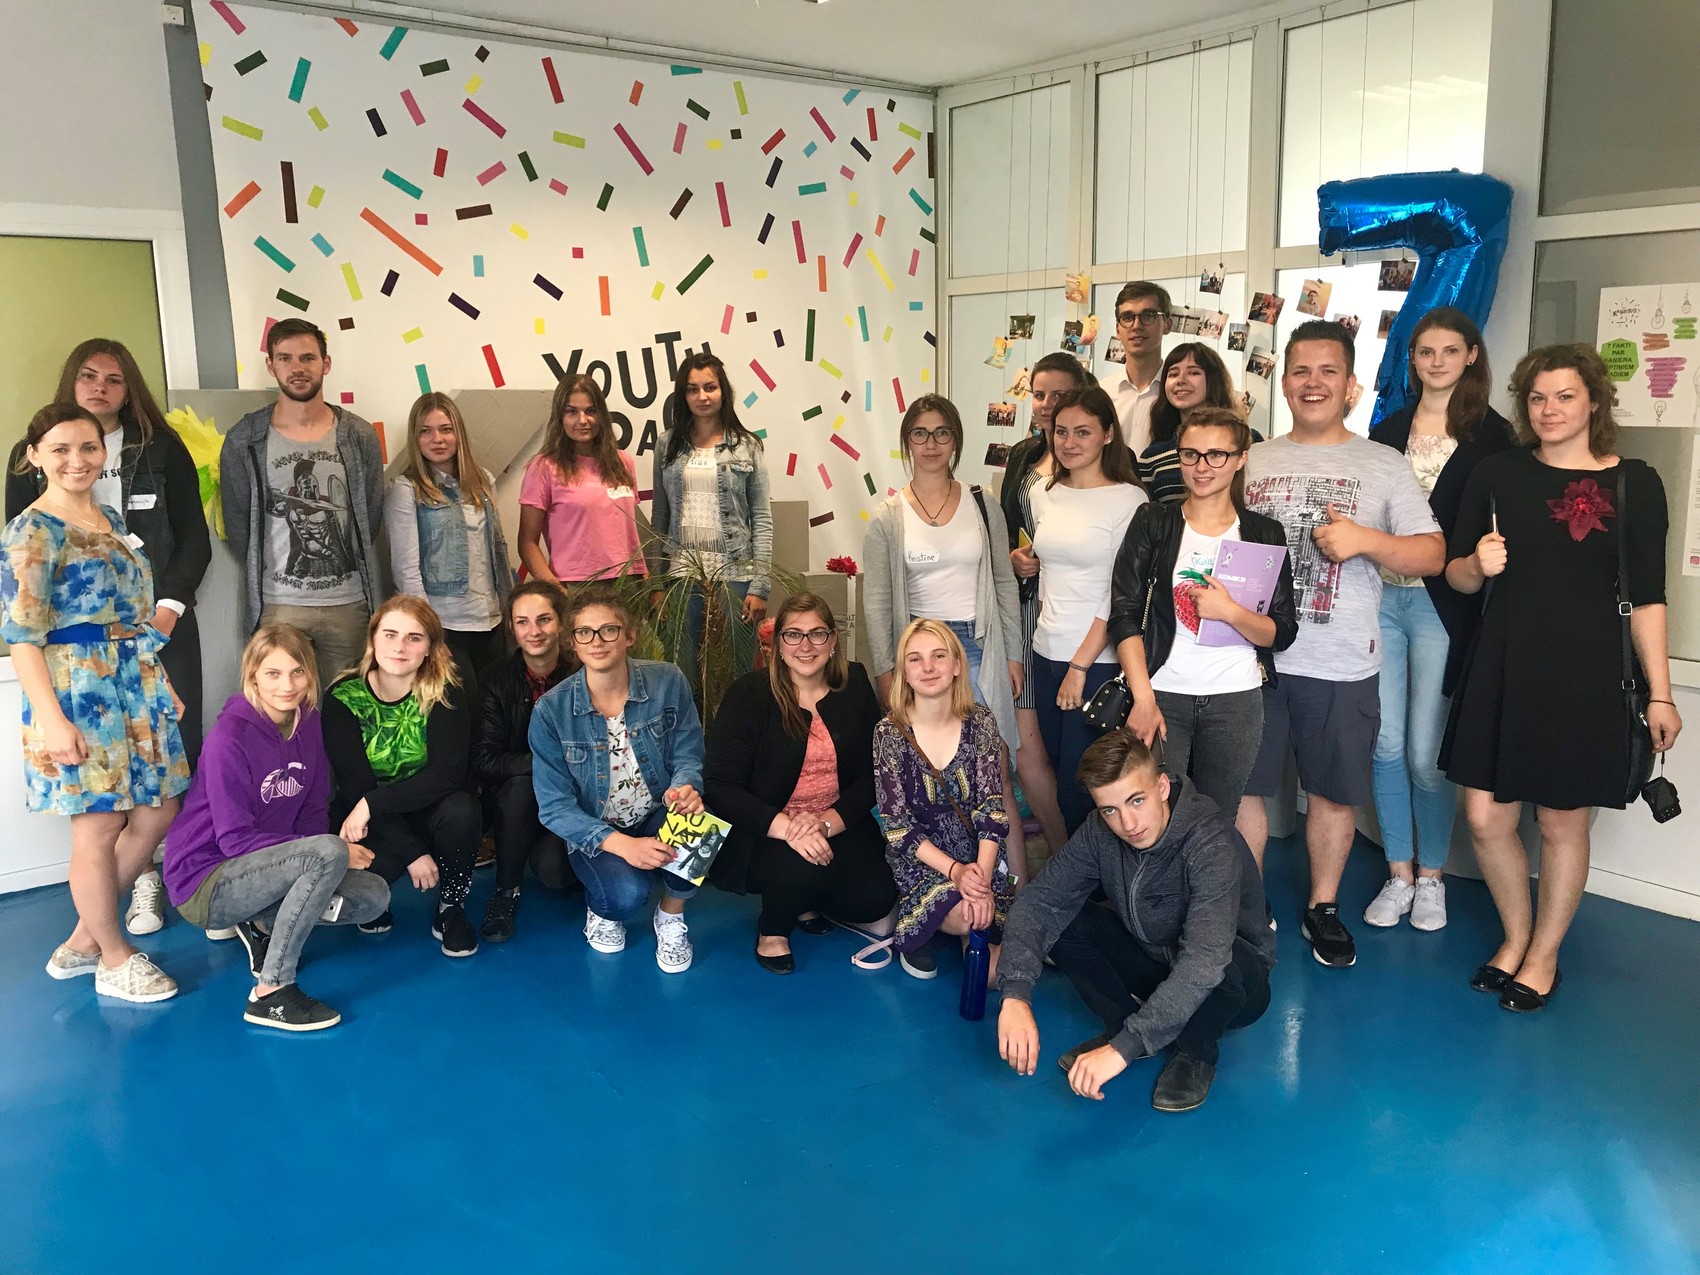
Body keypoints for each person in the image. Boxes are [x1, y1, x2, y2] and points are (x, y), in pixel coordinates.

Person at [1441, 344, 1681, 1012]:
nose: (1549, 410)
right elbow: (1456, 575)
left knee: (1560, 823)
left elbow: (1649, 597)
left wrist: (1661, 692)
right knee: (1484, 818)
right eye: (1537, 397)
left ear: (1594, 402)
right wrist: (1476, 565)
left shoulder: (1635, 482)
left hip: (1587, 672)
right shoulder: (1497, 472)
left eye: (1565, 396)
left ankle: (1543, 956)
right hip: (1503, 662)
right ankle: (1516, 937)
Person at [1240, 320, 1445, 969]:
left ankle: (1322, 906)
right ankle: (1246, 906)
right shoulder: (1254, 459)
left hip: (1341, 660)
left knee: (1332, 792)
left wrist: (1366, 541)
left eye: (1328, 371)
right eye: (1301, 370)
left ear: (1350, 384)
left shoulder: (1382, 464)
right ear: (1284, 381)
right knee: (1244, 788)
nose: (1313, 382)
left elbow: (1433, 553)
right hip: (1252, 658)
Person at [7, 339, 212, 937]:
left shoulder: (117, 511)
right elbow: (23, 625)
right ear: (36, 455)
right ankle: (109, 946)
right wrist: (52, 718)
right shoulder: (31, 527)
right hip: (78, 675)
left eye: (89, 448)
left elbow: (182, 551)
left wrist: (161, 652)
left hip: (139, 661)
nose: (78, 460)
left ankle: (85, 938)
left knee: (160, 802)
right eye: (62, 450)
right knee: (99, 820)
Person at [996, 729, 1275, 1113]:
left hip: (1235, 986)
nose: (1127, 823)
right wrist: (1015, 994)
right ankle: (1122, 1024)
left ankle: (1195, 1052)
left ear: (1161, 786)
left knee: (1221, 962)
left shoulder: (1209, 840)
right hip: (1157, 961)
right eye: (1110, 809)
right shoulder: (1099, 832)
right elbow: (1039, 901)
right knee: (1065, 919)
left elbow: (1204, 961)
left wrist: (1121, 1051)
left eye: (1136, 800)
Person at [1363, 308, 1515, 932]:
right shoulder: (1387, 430)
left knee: (1426, 755)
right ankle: (1399, 873)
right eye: (1425, 351)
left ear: (1471, 355)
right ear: (1413, 358)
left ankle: (1432, 879)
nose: (1436, 362)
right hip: (1378, 598)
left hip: (1443, 606)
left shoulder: (1494, 436)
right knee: (1385, 743)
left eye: (1450, 351)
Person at [162, 625, 390, 1031]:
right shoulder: (228, 739)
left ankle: (263, 921)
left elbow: (313, 810)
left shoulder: (310, 723)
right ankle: (271, 992)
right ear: (253, 676)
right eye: (273, 673)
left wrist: (315, 853)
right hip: (206, 882)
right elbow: (234, 840)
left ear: (310, 674)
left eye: (297, 672)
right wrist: (326, 853)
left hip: (267, 867)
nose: (287, 685)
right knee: (329, 851)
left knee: (374, 896)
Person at [864, 393, 1025, 882]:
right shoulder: (888, 516)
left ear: (955, 441)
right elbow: (876, 601)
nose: (931, 443)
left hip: (978, 645)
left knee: (995, 773)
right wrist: (887, 671)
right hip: (919, 653)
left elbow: (1003, 582)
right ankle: (945, 882)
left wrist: (1012, 655)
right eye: (920, 433)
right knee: (928, 775)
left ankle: (1014, 891)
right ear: (907, 442)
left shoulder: (982, 503)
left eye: (942, 433)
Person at [1109, 407, 1298, 818]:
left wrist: (1229, 612)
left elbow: (1282, 632)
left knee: (1216, 820)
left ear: (1241, 459)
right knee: (1158, 817)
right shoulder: (1154, 521)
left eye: (1216, 455)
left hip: (1236, 699)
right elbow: (1124, 615)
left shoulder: (1264, 532)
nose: (1201, 466)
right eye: (1190, 454)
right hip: (1163, 694)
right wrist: (1144, 698)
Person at [704, 593, 897, 974]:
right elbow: (720, 785)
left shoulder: (854, 683)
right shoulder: (749, 694)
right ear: (778, 643)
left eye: (817, 634)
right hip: (764, 827)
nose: (805, 646)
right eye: (793, 634)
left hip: (833, 820)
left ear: (833, 639)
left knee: (875, 900)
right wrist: (789, 829)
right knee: (801, 866)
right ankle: (773, 929)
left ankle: (806, 898)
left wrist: (824, 823)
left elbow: (871, 775)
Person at [529, 587, 706, 972]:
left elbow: (688, 748)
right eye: (584, 632)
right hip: (596, 828)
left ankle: (671, 914)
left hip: (657, 810)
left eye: (609, 630)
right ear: (573, 642)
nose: (597, 641)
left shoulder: (667, 680)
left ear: (630, 635)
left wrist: (686, 785)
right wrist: (624, 846)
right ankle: (601, 909)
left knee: (701, 826)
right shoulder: (551, 710)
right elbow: (554, 807)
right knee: (625, 896)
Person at [220, 318, 385, 688]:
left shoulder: (358, 435)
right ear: (271, 365)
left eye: (308, 358)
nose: (297, 368)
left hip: (347, 603)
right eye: (285, 358)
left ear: (326, 363)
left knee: (346, 705)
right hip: (279, 604)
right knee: (280, 705)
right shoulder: (245, 439)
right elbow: (238, 526)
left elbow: (369, 517)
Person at [322, 596, 481, 958]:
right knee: (365, 891)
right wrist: (412, 852)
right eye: (390, 634)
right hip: (371, 820)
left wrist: (371, 803)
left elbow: (446, 775)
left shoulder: (444, 690)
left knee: (463, 809)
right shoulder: (343, 696)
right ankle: (380, 899)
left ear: (429, 647)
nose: (399, 647)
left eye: (414, 637)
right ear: (372, 639)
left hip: (427, 808)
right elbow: (356, 787)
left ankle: (452, 906)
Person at [1027, 386, 1147, 833]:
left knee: (1088, 789)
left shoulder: (1129, 500)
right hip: (1045, 652)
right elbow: (1049, 567)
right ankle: (1081, 871)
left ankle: (1106, 875)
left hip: (1097, 664)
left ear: (1108, 435)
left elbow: (1118, 593)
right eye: (1061, 432)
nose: (1069, 442)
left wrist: (1080, 665)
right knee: (1061, 777)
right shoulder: (1044, 493)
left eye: (1083, 432)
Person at [874, 620, 1013, 981]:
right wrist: (956, 872)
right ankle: (926, 924)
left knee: (991, 976)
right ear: (904, 673)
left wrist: (980, 878)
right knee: (968, 916)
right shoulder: (889, 732)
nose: (928, 667)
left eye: (939, 656)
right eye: (915, 659)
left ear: (956, 665)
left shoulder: (980, 721)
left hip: (978, 854)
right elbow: (898, 827)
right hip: (923, 859)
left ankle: (960, 925)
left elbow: (991, 809)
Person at [1002, 352, 1093, 860]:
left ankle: (1091, 860)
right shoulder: (1022, 455)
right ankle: (1064, 857)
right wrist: (1013, 560)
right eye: (1039, 394)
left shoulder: (1099, 458)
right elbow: (1007, 528)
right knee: (1027, 745)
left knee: (1077, 750)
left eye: (1060, 393)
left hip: (1083, 621)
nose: (1047, 404)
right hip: (1027, 612)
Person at [649, 352, 772, 690]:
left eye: (710, 387)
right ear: (683, 396)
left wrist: (759, 586)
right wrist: (657, 584)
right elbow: (659, 517)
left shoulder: (747, 446)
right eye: (692, 389)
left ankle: (735, 726)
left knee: (738, 670)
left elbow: (762, 519)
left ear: (723, 391)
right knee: (682, 670)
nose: (702, 396)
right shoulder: (666, 445)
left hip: (736, 573)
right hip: (682, 574)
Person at [384, 392, 515, 697]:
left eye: (446, 429)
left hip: (491, 620)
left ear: (459, 434)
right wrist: (427, 632)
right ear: (415, 438)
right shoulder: (407, 489)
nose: (437, 439)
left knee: (494, 707)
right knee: (460, 708)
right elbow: (406, 570)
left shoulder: (483, 481)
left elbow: (497, 550)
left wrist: (510, 609)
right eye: (426, 431)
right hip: (446, 625)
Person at [472, 580, 581, 942]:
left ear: (561, 623)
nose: (534, 631)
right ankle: (506, 891)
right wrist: (549, 764)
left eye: (544, 619)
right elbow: (485, 760)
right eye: (522, 622)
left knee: (555, 874)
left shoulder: (583, 672)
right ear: (511, 627)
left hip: (575, 796)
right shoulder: (494, 679)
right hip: (515, 797)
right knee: (521, 785)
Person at [519, 374, 648, 587]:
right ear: (560, 417)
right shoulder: (544, 467)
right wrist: (556, 590)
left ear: (601, 415)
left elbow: (628, 534)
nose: (582, 420)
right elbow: (527, 543)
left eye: (590, 411)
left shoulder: (623, 462)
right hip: (577, 585)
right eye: (572, 412)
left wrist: (647, 582)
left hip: (629, 582)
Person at [1136, 342, 1254, 505]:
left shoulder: (1248, 440)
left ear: (1213, 380)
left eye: (1193, 372)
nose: (1180, 380)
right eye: (1173, 374)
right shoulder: (1152, 456)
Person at [1099, 281, 1173, 456]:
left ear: (1167, 324)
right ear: (1118, 330)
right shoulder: (1101, 394)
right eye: (1127, 317)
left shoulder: (1181, 393)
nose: (1136, 325)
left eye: (1148, 315)